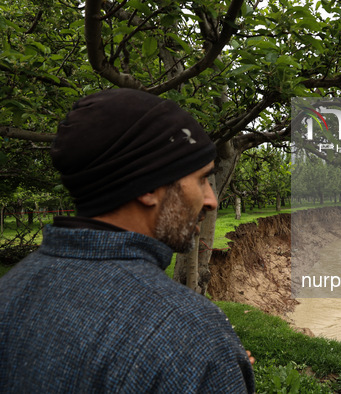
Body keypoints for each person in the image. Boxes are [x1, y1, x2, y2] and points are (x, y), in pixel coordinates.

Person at [0, 89, 255, 393]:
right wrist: (215, 364)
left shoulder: (11, 289)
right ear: (149, 186)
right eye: (201, 180)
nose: (211, 201)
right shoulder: (192, 334)